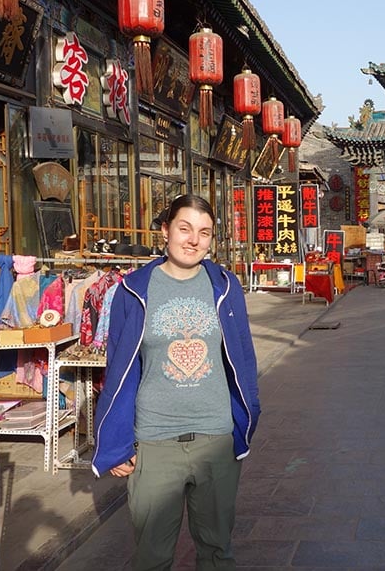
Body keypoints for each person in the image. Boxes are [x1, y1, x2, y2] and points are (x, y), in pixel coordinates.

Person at [92, 194, 261, 570]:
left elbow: (243, 359)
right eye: (184, 229)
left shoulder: (225, 286)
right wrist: (116, 440)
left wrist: (244, 422)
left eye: (204, 233)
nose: (193, 240)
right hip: (155, 442)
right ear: (165, 231)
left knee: (217, 551)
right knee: (152, 556)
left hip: (215, 440)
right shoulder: (133, 290)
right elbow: (119, 367)